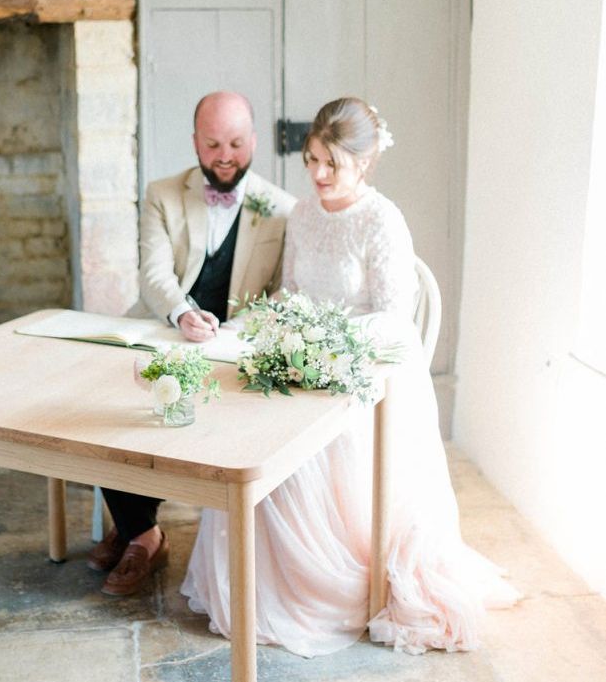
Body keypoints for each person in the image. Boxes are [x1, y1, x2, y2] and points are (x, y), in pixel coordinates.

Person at [181, 97, 519, 655]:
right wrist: (260, 328)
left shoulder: (381, 219)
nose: (317, 174)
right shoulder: (304, 213)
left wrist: (326, 343)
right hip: (306, 358)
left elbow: (393, 317)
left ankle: (328, 582)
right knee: (248, 422)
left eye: (331, 164)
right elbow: (290, 291)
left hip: (363, 370)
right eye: (312, 159)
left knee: (302, 439)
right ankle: (259, 579)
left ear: (363, 163)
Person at [88, 91, 296, 596]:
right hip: (161, 328)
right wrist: (182, 313)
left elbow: (281, 292)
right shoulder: (163, 194)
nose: (225, 156)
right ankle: (142, 530)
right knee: (105, 398)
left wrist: (237, 329)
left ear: (254, 141)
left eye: (236, 144)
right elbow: (153, 274)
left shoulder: (282, 208)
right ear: (194, 142)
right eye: (212, 144)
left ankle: (134, 529)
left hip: (233, 346)